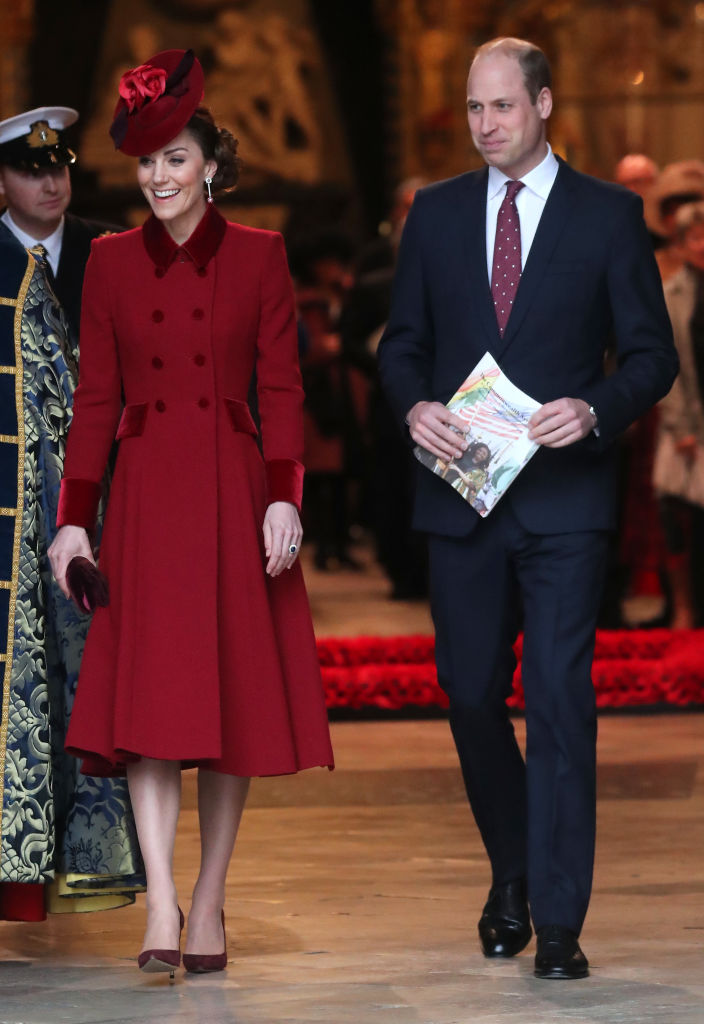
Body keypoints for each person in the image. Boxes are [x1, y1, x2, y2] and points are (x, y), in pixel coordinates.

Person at [378, 36, 677, 980]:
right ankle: (512, 870)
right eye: (473, 108)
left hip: (563, 503)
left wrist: (596, 408)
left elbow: (651, 357)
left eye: (501, 107)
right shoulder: (434, 214)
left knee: (557, 705)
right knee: (469, 696)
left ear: (544, 105)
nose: (483, 125)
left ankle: (557, 918)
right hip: (461, 496)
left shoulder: (609, 216)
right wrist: (413, 403)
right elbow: (402, 346)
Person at [48, 49, 334, 977]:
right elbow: (95, 400)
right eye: (144, 162)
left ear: (210, 163)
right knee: (151, 710)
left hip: (232, 490)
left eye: (176, 158)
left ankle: (208, 897)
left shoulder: (260, 255)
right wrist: (73, 521)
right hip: (143, 499)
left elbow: (284, 388)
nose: (159, 177)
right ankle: (162, 905)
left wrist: (287, 497)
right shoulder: (110, 262)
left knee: (230, 706)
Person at [0, 226, 142, 923]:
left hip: (39, 526)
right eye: (30, 167)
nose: (48, 183)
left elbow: (73, 406)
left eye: (57, 166)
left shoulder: (82, 263)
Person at [0, 106, 118, 349]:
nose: (52, 187)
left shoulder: (114, 248)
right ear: (1, 182)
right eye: (34, 174)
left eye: (58, 169)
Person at [653, 202, 704, 628]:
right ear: (683, 244)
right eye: (696, 237)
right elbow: (664, 362)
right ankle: (684, 609)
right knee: (679, 522)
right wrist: (683, 427)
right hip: (684, 423)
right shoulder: (670, 293)